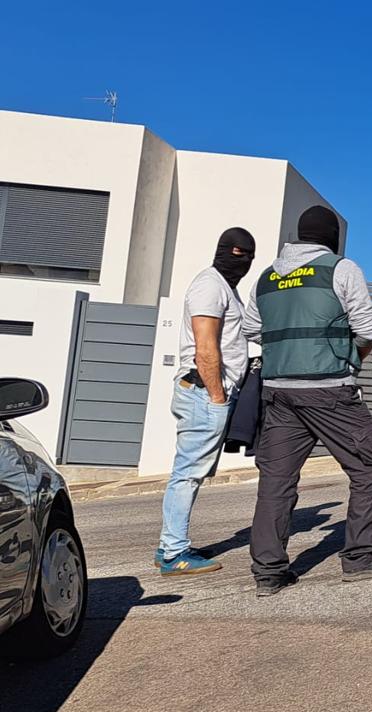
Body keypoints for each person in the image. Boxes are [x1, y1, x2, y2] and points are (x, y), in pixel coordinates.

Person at [243, 205, 372, 597]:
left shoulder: (266, 277)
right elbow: (367, 328)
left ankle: (268, 572)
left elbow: (250, 328)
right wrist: (351, 359)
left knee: (276, 481)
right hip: (329, 388)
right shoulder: (340, 268)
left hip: (278, 391)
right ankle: (361, 558)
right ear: (331, 238)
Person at [158, 227, 256, 576]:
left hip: (208, 392)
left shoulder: (225, 288)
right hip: (203, 392)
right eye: (238, 253)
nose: (243, 261)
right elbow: (205, 347)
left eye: (248, 255)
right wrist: (217, 397)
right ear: (223, 251)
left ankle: (172, 544)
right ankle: (173, 553)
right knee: (187, 475)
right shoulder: (209, 286)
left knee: (191, 474)